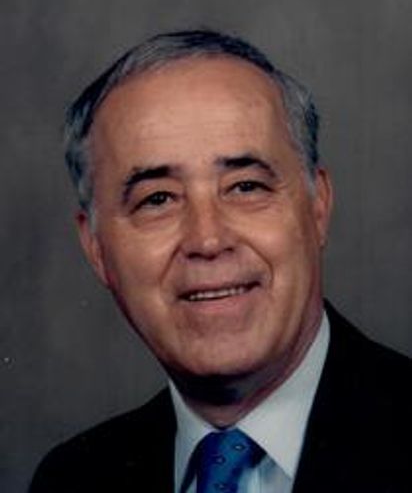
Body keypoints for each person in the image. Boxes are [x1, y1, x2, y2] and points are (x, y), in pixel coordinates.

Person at [30, 29, 410, 493]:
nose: (208, 239)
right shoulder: (72, 479)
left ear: (318, 207)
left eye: (246, 187)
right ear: (95, 246)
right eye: (158, 199)